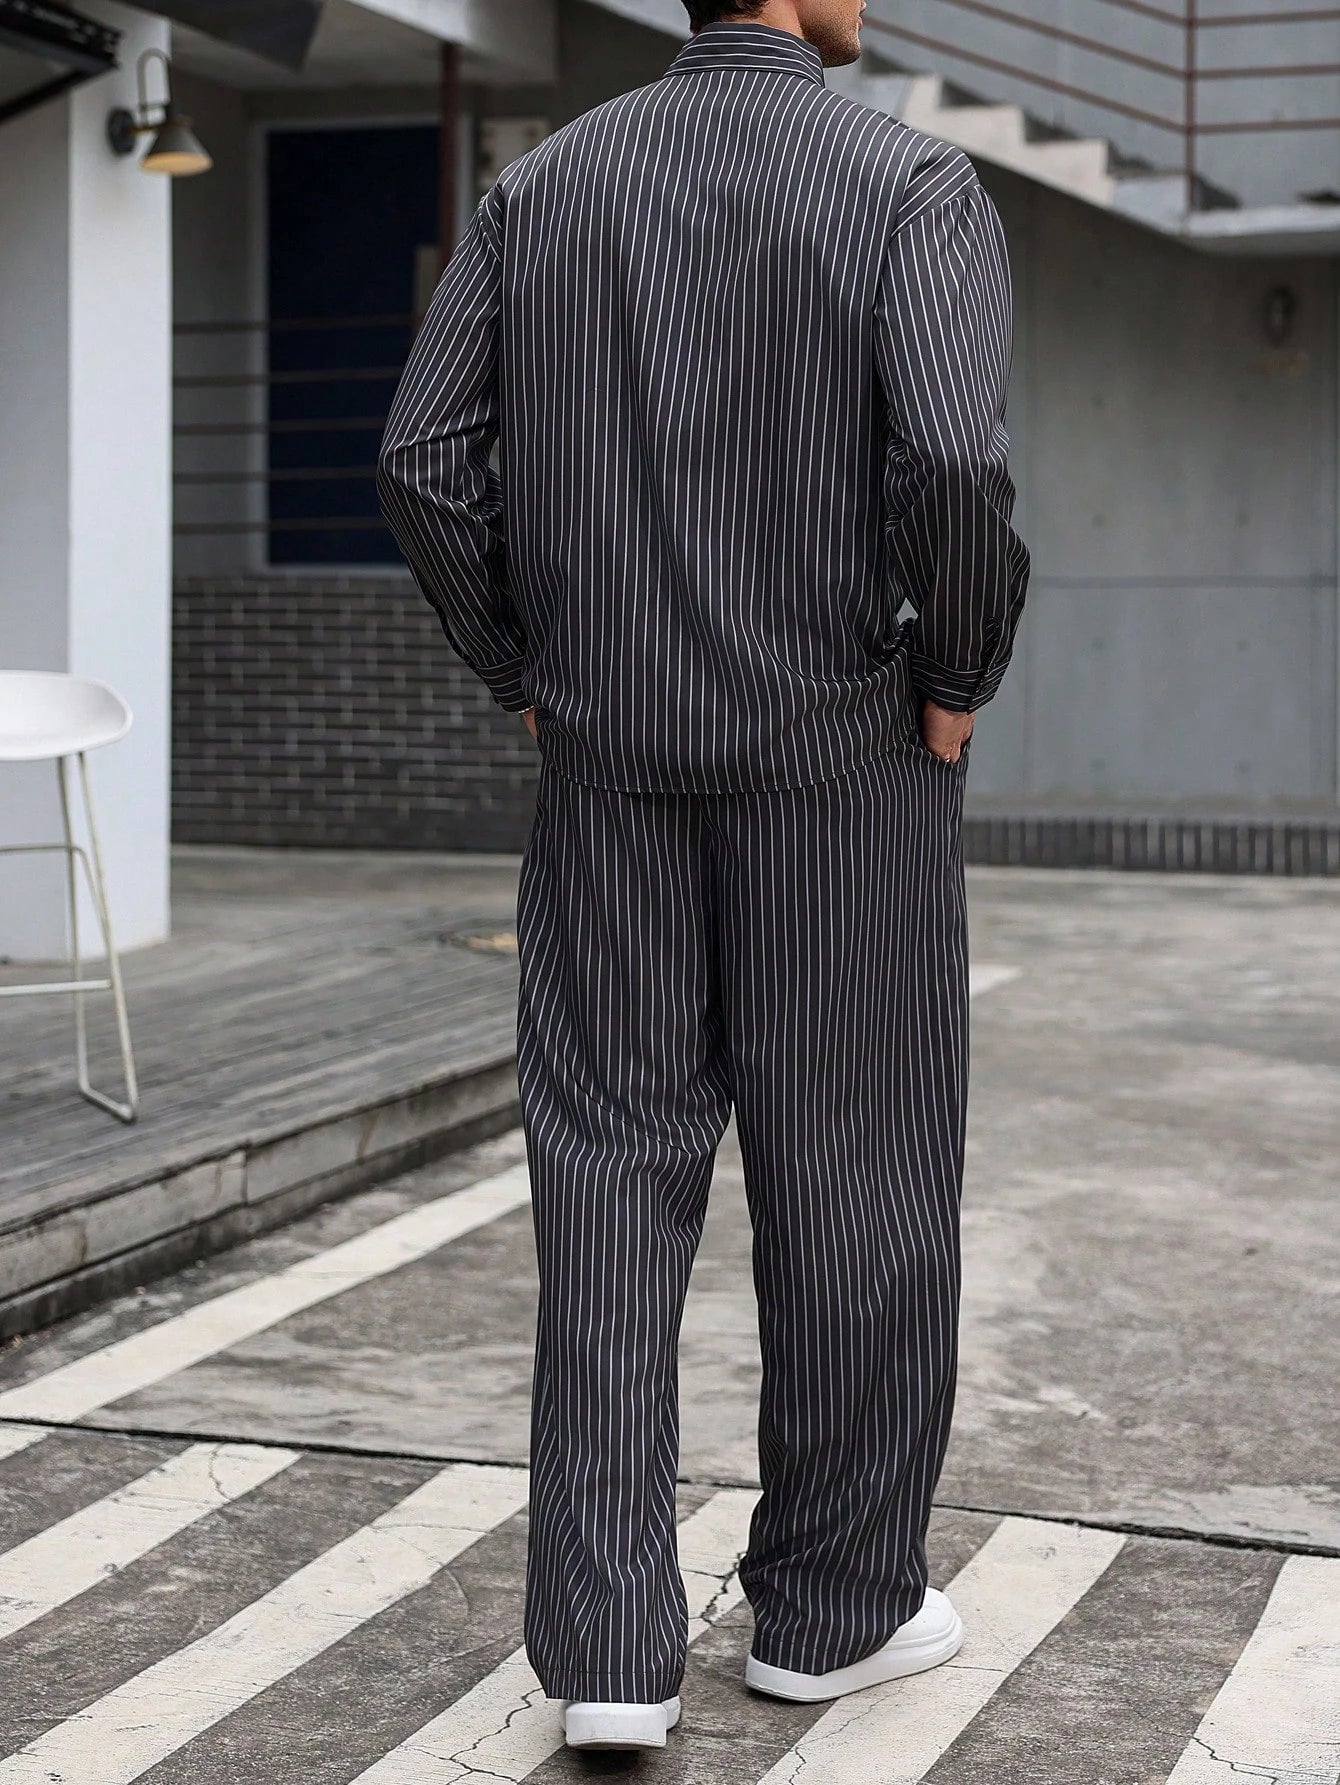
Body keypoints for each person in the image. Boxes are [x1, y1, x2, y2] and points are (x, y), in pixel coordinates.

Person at [378, 0, 1030, 1753]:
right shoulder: (907, 185)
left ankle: (609, 1648)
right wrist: (958, 670)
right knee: (861, 1184)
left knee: (607, 1181)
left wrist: (522, 665)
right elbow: (953, 461)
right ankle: (834, 1606)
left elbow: (422, 462)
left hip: (609, 774)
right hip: (848, 775)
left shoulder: (545, 189)